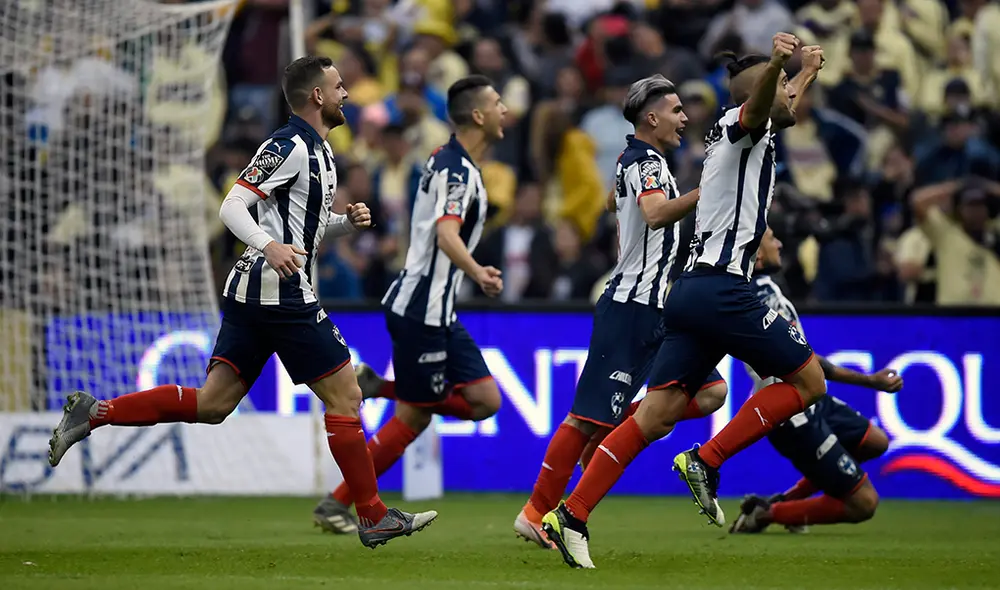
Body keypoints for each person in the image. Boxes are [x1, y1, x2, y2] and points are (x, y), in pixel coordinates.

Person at [46, 56, 437, 549]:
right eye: (339, 87)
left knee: (213, 404)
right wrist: (268, 247)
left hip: (255, 293)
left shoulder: (320, 151)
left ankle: (95, 412)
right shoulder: (288, 144)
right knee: (347, 396)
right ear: (317, 96)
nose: (347, 95)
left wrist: (342, 223)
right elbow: (232, 204)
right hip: (280, 293)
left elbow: (298, 229)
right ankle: (373, 515)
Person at [541, 34, 828, 569]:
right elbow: (771, 107)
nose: (793, 97)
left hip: (690, 292)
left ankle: (571, 515)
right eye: (784, 88)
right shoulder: (739, 126)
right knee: (809, 382)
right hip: (724, 288)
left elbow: (782, 112)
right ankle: (706, 459)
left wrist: (804, 72)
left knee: (654, 416)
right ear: (757, 96)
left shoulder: (745, 135)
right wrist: (782, 68)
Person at [513, 75, 729, 555]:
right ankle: (535, 513)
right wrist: (709, 189)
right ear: (651, 118)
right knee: (584, 418)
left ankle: (619, 429)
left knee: (712, 391)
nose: (684, 117)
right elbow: (653, 214)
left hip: (659, 309)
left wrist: (625, 200)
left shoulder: (638, 161)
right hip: (630, 307)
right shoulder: (644, 162)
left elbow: (618, 202)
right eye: (675, 110)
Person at [313, 75, 508, 533]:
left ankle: (381, 393)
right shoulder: (457, 170)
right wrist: (478, 272)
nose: (506, 110)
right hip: (421, 307)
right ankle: (341, 502)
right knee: (421, 412)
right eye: (498, 102)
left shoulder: (450, 161)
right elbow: (446, 233)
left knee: (482, 400)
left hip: (438, 309)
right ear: (478, 114)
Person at [729, 227, 903, 533]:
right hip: (790, 413)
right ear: (756, 256)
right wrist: (869, 381)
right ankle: (766, 516)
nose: (780, 242)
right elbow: (804, 361)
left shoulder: (766, 288)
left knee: (874, 442)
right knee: (863, 503)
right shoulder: (754, 301)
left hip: (810, 399)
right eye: (772, 238)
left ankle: (782, 502)